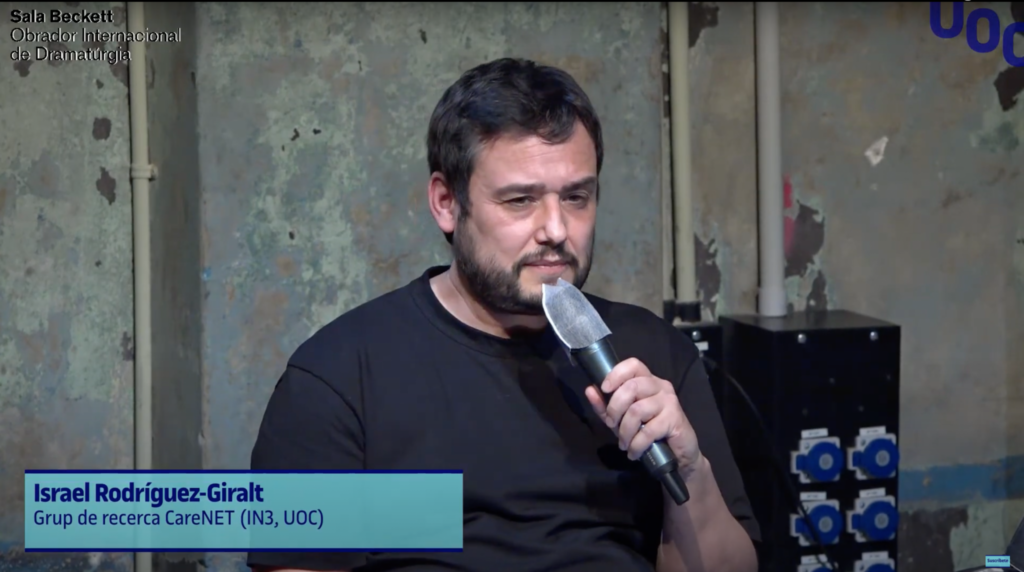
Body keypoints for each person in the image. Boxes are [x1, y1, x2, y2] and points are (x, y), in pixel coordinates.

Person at [247, 57, 760, 572]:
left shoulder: (651, 355)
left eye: (576, 197)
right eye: (520, 200)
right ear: (446, 202)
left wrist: (690, 472)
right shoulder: (340, 374)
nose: (556, 229)